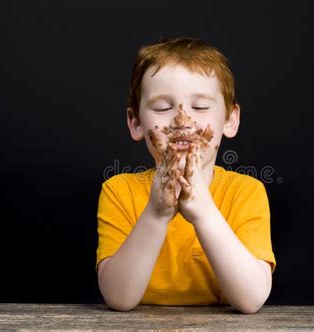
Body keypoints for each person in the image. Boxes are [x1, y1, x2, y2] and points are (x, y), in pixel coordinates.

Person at [96, 37, 277, 314]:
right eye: (162, 107)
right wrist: (156, 213)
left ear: (230, 120)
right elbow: (119, 298)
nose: (182, 120)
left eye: (201, 107)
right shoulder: (119, 190)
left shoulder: (245, 192)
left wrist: (204, 212)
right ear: (136, 123)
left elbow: (251, 300)